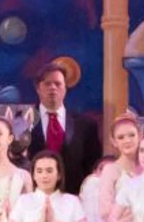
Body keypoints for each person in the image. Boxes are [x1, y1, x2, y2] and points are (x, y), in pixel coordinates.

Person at [29, 62, 102, 196]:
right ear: (38, 88)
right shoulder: (24, 122)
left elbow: (92, 165)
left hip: (75, 198)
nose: (53, 87)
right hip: (34, 198)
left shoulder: (86, 125)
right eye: (47, 83)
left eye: (58, 84)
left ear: (65, 88)